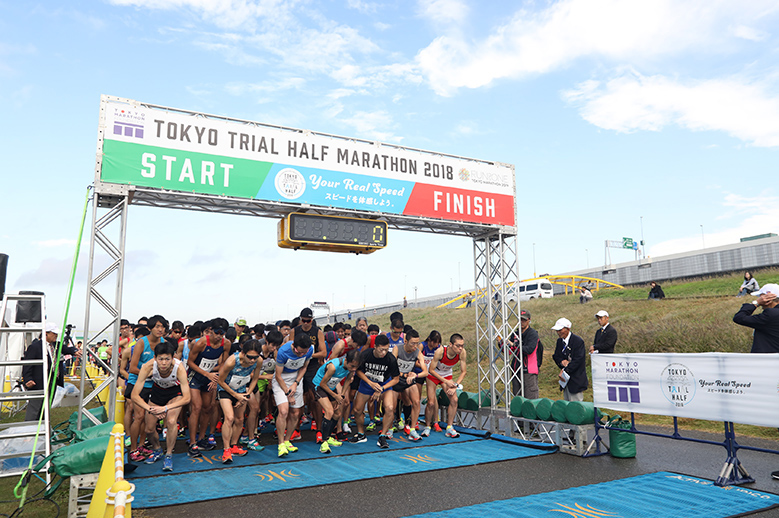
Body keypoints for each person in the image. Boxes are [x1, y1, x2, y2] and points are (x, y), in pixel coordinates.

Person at [132, 340, 190, 472]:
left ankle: (169, 455)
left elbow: (187, 398)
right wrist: (151, 409)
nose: (164, 363)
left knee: (170, 421)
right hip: (158, 392)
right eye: (161, 359)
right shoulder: (148, 367)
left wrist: (165, 409)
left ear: (173, 357)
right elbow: (135, 395)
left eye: (167, 359)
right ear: (155, 358)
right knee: (149, 429)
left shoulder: (179, 368)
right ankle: (157, 449)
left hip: (175, 393)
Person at [21, 322, 81, 421]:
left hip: (52, 383)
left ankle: (44, 430)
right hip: (38, 383)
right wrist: (28, 379)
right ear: (46, 334)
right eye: (54, 333)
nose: (56, 336)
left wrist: (75, 351)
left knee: (46, 409)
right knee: (35, 409)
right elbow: (28, 365)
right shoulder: (35, 347)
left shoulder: (56, 345)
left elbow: (67, 349)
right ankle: (29, 431)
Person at [216, 339, 263, 463]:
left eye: (255, 357)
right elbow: (220, 381)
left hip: (242, 389)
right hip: (226, 389)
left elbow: (255, 379)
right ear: (243, 353)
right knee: (229, 417)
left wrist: (246, 395)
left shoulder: (259, 361)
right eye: (250, 357)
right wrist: (236, 395)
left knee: (240, 419)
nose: (252, 360)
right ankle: (226, 450)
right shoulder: (232, 361)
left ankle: (234, 446)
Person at [186, 320, 229, 457]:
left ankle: (201, 438)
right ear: (211, 331)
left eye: (222, 333)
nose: (218, 336)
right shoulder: (201, 343)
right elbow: (189, 362)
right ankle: (192, 443)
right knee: (196, 407)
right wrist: (206, 374)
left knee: (208, 408)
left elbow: (224, 364)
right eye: (216, 332)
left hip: (210, 378)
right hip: (196, 376)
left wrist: (216, 378)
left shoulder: (226, 344)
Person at [349, 334, 400, 448]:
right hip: (368, 383)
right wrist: (370, 383)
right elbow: (358, 371)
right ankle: (361, 433)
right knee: (357, 410)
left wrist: (382, 388)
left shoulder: (390, 358)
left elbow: (396, 379)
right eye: (381, 350)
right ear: (375, 347)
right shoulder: (366, 355)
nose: (383, 353)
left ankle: (383, 435)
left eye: (386, 350)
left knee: (390, 408)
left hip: (384, 384)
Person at [273, 333, 314, 457]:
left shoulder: (309, 350)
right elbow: (278, 376)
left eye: (304, 353)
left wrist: (296, 383)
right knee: (284, 411)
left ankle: (287, 440)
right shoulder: (283, 352)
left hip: (296, 378)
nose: (301, 355)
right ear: (294, 346)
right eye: (298, 352)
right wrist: (288, 393)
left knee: (296, 412)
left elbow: (304, 367)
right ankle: (280, 444)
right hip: (282, 380)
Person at [312, 350, 360, 453]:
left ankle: (328, 436)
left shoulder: (351, 367)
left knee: (337, 413)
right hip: (319, 386)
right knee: (329, 411)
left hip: (331, 387)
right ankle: (323, 442)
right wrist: (335, 396)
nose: (354, 369)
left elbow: (348, 380)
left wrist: (341, 395)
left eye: (356, 367)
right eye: (352, 366)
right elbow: (322, 384)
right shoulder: (333, 367)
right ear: (346, 360)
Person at [425, 333, 467, 438]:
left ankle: (449, 427)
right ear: (450, 345)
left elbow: (463, 372)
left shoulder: (462, 353)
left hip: (447, 375)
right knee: (431, 403)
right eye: (458, 346)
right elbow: (431, 370)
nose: (460, 348)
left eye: (462, 345)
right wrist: (445, 381)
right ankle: (427, 426)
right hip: (433, 375)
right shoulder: (440, 351)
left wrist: (455, 385)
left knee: (454, 399)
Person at [393, 329, 428, 441]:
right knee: (392, 406)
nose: (415, 346)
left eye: (417, 343)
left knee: (416, 402)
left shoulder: (417, 351)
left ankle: (412, 429)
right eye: (413, 343)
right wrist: (404, 374)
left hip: (408, 379)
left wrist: (415, 376)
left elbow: (425, 371)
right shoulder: (397, 349)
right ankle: (389, 428)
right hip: (396, 378)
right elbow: (391, 367)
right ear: (406, 341)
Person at [733, 283, 779, 354]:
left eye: (761, 298)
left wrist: (756, 303)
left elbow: (739, 317)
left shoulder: (770, 314)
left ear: (768, 299)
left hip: (767, 360)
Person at [551, 318, 588, 402]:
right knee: (567, 404)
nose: (558, 332)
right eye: (557, 330)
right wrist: (561, 362)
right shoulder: (559, 341)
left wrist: (566, 370)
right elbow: (556, 356)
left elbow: (578, 360)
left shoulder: (578, 341)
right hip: (565, 380)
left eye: (560, 330)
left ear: (567, 329)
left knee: (576, 405)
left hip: (576, 379)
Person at [511, 310, 540, 399]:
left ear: (529, 320)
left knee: (530, 399)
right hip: (515, 370)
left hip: (528, 371)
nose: (521, 322)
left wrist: (515, 345)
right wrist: (502, 343)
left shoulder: (533, 334)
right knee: (517, 399)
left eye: (524, 320)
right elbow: (508, 351)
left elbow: (529, 349)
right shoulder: (515, 334)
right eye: (520, 320)